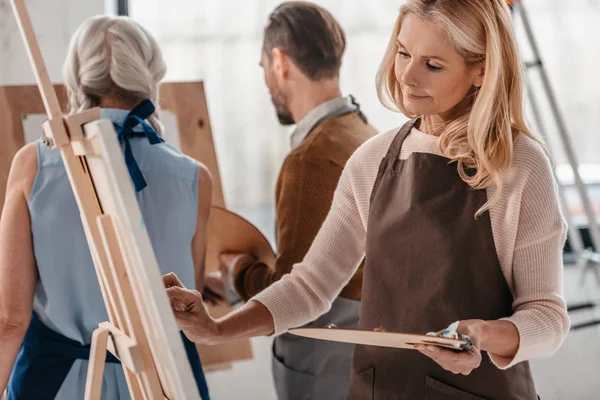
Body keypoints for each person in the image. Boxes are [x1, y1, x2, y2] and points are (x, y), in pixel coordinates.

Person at [165, 0, 570, 398]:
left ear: (480, 71)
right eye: (403, 52)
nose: (408, 76)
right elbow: (310, 286)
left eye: (433, 65)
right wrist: (217, 330)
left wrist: (483, 334)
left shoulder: (519, 166)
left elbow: (548, 318)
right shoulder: (373, 160)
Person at [0, 16, 211, 400]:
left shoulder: (33, 165)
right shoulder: (194, 177)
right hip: (162, 384)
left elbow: (10, 320)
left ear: (78, 79)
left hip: (57, 384)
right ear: (150, 75)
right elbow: (185, 301)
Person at [203, 3, 376, 399]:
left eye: (263, 66)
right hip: (362, 348)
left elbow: (293, 290)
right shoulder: (364, 134)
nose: (265, 80)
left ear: (280, 62)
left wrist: (237, 271)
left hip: (324, 354)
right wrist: (233, 290)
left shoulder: (311, 159)